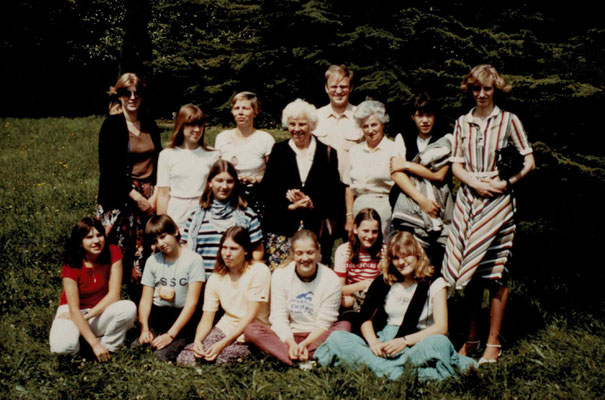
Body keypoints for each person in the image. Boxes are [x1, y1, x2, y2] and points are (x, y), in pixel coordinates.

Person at [441, 64, 535, 363]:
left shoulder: (509, 121)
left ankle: (493, 341)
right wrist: (472, 183)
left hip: (498, 203)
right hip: (469, 202)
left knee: (496, 271)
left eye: (487, 89)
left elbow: (529, 160)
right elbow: (456, 164)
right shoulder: (462, 122)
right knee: (470, 274)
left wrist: (504, 183)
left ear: (496, 90)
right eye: (476, 89)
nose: (481, 94)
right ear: (470, 89)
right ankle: (471, 338)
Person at [314, 232, 477, 381]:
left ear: (417, 255)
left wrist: (404, 341)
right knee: (338, 338)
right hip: (386, 341)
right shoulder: (385, 280)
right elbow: (365, 318)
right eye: (396, 258)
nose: (402, 262)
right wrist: (373, 343)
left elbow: (441, 327)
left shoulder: (433, 281)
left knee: (440, 343)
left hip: (418, 341)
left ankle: (379, 369)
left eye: (406, 256)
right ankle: (403, 373)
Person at [97, 72, 162, 302]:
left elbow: (160, 159)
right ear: (120, 96)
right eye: (127, 93)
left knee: (143, 249)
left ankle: (139, 304)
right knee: (115, 251)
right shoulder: (112, 125)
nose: (133, 97)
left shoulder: (149, 124)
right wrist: (134, 195)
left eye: (137, 93)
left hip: (148, 194)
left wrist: (154, 196)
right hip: (120, 196)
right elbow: (109, 168)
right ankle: (107, 301)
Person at [244, 230, 350, 366]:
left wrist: (305, 344)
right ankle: (307, 358)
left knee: (344, 327)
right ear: (293, 254)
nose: (305, 258)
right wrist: (290, 342)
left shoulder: (331, 279)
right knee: (251, 330)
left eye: (310, 252)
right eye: (299, 253)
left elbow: (324, 323)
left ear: (318, 252)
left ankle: (290, 357)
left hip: (318, 336)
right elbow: (278, 317)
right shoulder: (281, 274)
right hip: (288, 335)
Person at [262, 99, 344, 268]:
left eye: (302, 124)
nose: (297, 129)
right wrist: (289, 204)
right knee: (282, 279)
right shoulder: (278, 151)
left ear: (312, 125)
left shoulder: (328, 153)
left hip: (316, 230)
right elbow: (267, 191)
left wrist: (311, 201)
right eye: (292, 124)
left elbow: (334, 192)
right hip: (282, 230)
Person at [177, 227, 271, 365]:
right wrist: (198, 341)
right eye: (224, 248)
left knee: (221, 358)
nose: (227, 253)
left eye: (233, 249)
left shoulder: (259, 271)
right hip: (225, 328)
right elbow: (207, 318)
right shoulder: (216, 278)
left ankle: (257, 356)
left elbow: (250, 315)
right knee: (187, 357)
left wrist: (223, 344)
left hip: (252, 331)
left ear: (245, 251)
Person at [49, 217, 136, 361]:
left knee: (128, 308)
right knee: (62, 348)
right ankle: (87, 345)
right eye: (89, 237)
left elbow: (114, 295)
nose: (96, 241)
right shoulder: (71, 264)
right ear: (80, 242)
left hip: (98, 310)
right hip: (71, 311)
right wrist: (94, 344)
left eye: (99, 235)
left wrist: (87, 316)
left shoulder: (113, 251)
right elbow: (74, 309)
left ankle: (109, 348)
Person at [389, 93, 454, 267]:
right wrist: (422, 201)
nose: (425, 120)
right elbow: (396, 173)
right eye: (420, 115)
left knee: (434, 264)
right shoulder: (403, 136)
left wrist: (408, 165)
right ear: (413, 117)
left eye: (429, 115)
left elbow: (439, 175)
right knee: (407, 259)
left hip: (437, 206)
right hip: (410, 205)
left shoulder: (446, 138)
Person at [134, 215, 205, 362]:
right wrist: (145, 328)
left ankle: (181, 341)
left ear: (176, 231)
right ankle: (152, 332)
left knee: (161, 356)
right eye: (155, 241)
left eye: (163, 236)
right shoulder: (152, 261)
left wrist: (171, 335)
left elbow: (192, 303)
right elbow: (146, 300)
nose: (161, 243)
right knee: (136, 349)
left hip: (182, 317)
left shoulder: (194, 260)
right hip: (158, 315)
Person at [182, 160, 264, 280]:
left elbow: (257, 251)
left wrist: (245, 276)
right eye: (219, 180)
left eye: (229, 181)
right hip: (200, 283)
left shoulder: (247, 215)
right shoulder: (195, 216)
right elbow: (185, 248)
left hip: (234, 283)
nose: (224, 186)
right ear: (210, 182)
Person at [344, 99, 403, 238]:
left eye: (374, 125)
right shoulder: (354, 151)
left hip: (385, 208)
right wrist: (349, 216)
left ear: (382, 124)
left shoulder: (394, 148)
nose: (370, 130)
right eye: (365, 126)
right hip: (359, 207)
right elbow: (348, 187)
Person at [215, 92, 275, 225]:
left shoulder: (265, 139)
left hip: (256, 199)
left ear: (255, 111)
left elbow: (273, 176)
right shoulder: (222, 138)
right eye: (237, 108)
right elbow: (217, 172)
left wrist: (253, 179)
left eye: (245, 108)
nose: (240, 113)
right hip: (227, 197)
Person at [156, 104, 219, 230]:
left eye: (200, 125)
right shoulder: (167, 155)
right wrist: (162, 227)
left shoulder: (213, 155)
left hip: (204, 212)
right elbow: (163, 194)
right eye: (191, 125)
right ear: (181, 126)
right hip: (176, 213)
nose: (197, 129)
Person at [313, 64, 363, 179]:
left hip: (351, 186)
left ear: (351, 88)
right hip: (321, 184)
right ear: (326, 88)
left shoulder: (361, 117)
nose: (339, 91)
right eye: (334, 87)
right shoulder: (315, 117)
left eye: (343, 86)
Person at [334, 208, 383, 315]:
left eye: (374, 232)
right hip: (352, 296)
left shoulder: (383, 251)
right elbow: (338, 289)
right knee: (345, 301)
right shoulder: (344, 251)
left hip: (375, 296)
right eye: (365, 231)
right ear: (356, 229)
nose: (370, 236)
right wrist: (364, 284)